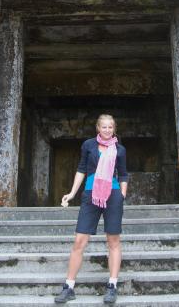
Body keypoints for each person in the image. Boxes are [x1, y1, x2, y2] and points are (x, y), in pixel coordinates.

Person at [54, 114, 128, 304]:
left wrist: (122, 195)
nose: (107, 130)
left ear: (114, 129)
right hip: (90, 194)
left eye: (110, 127)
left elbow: (124, 174)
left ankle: (112, 285)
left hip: (113, 195)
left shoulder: (119, 149)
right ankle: (69, 286)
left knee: (113, 240)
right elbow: (81, 169)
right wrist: (71, 193)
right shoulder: (88, 145)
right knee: (79, 240)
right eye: (103, 127)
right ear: (98, 128)